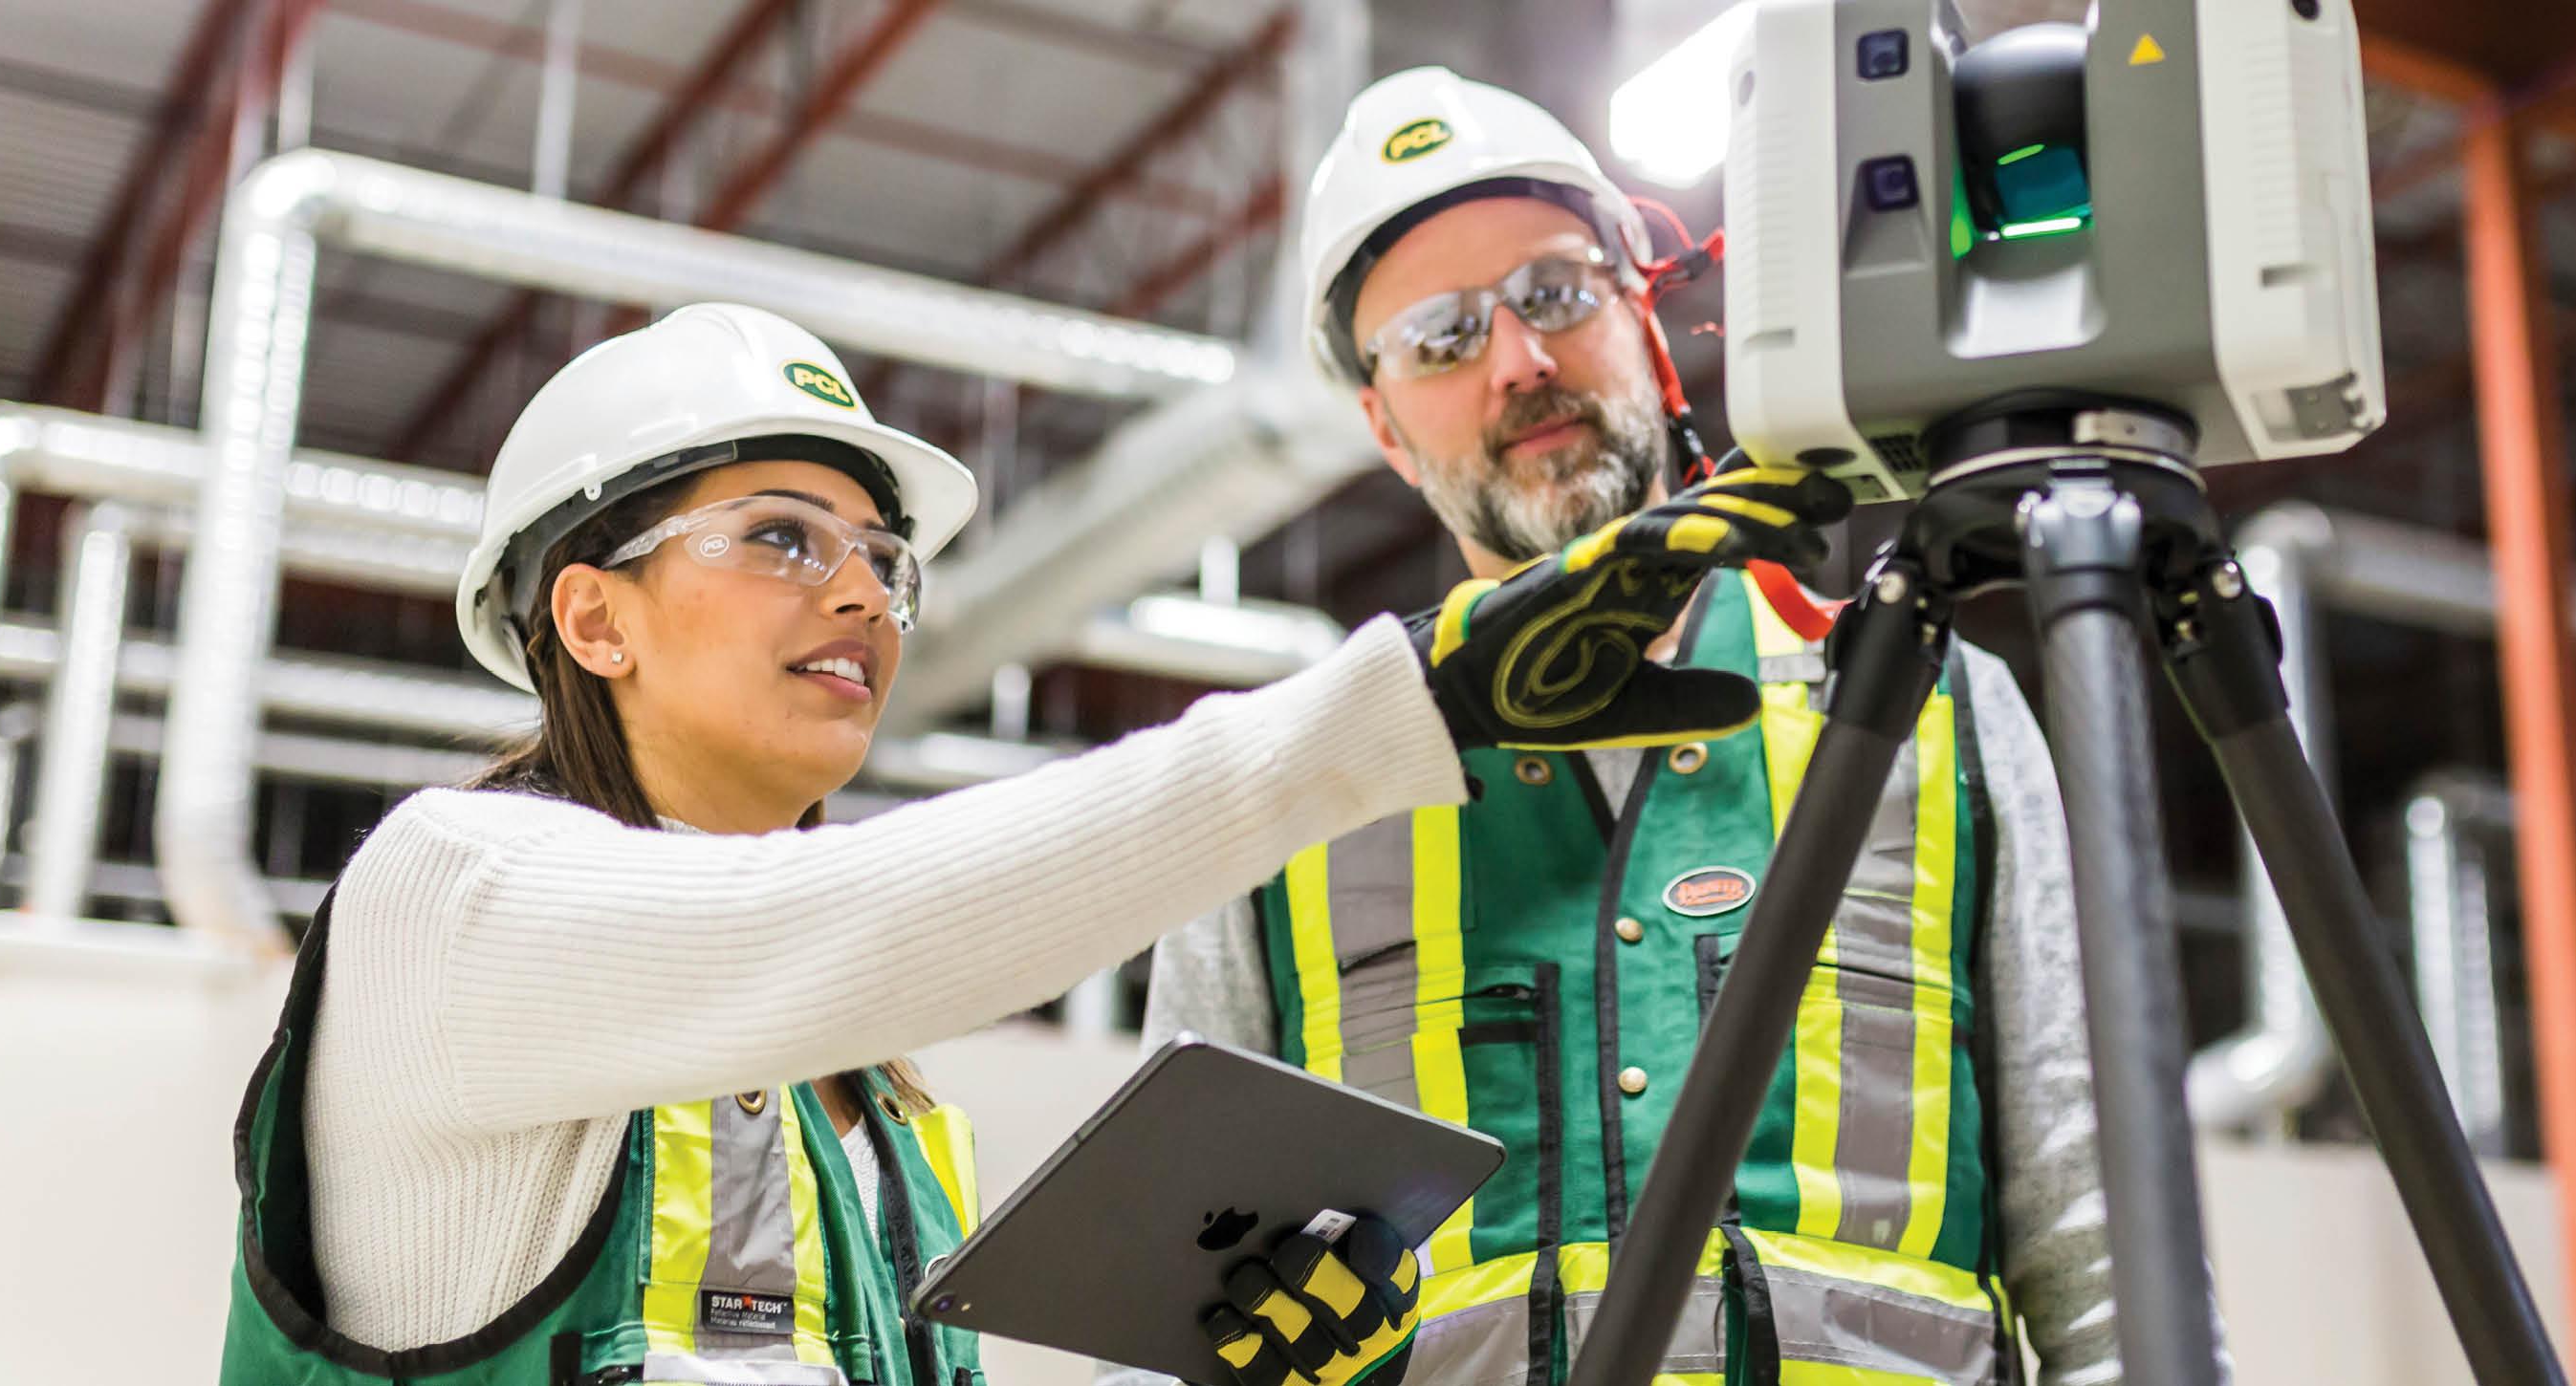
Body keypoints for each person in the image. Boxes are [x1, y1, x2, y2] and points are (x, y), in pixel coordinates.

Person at [216, 302, 1845, 1385]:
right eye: (781, 536)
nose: (863, 593)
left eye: (879, 558)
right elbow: (827, 923)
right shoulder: (450, 896)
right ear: (592, 614)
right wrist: (1399, 702)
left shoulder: (894, 1118)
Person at [1116, 70, 2123, 1386]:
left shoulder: (1930, 704)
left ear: (1644, 311)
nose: (1520, 363)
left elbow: (2103, 1252)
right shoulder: (1283, 780)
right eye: (1439, 337)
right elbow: (1157, 1331)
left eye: (1555, 292)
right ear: (1383, 426)